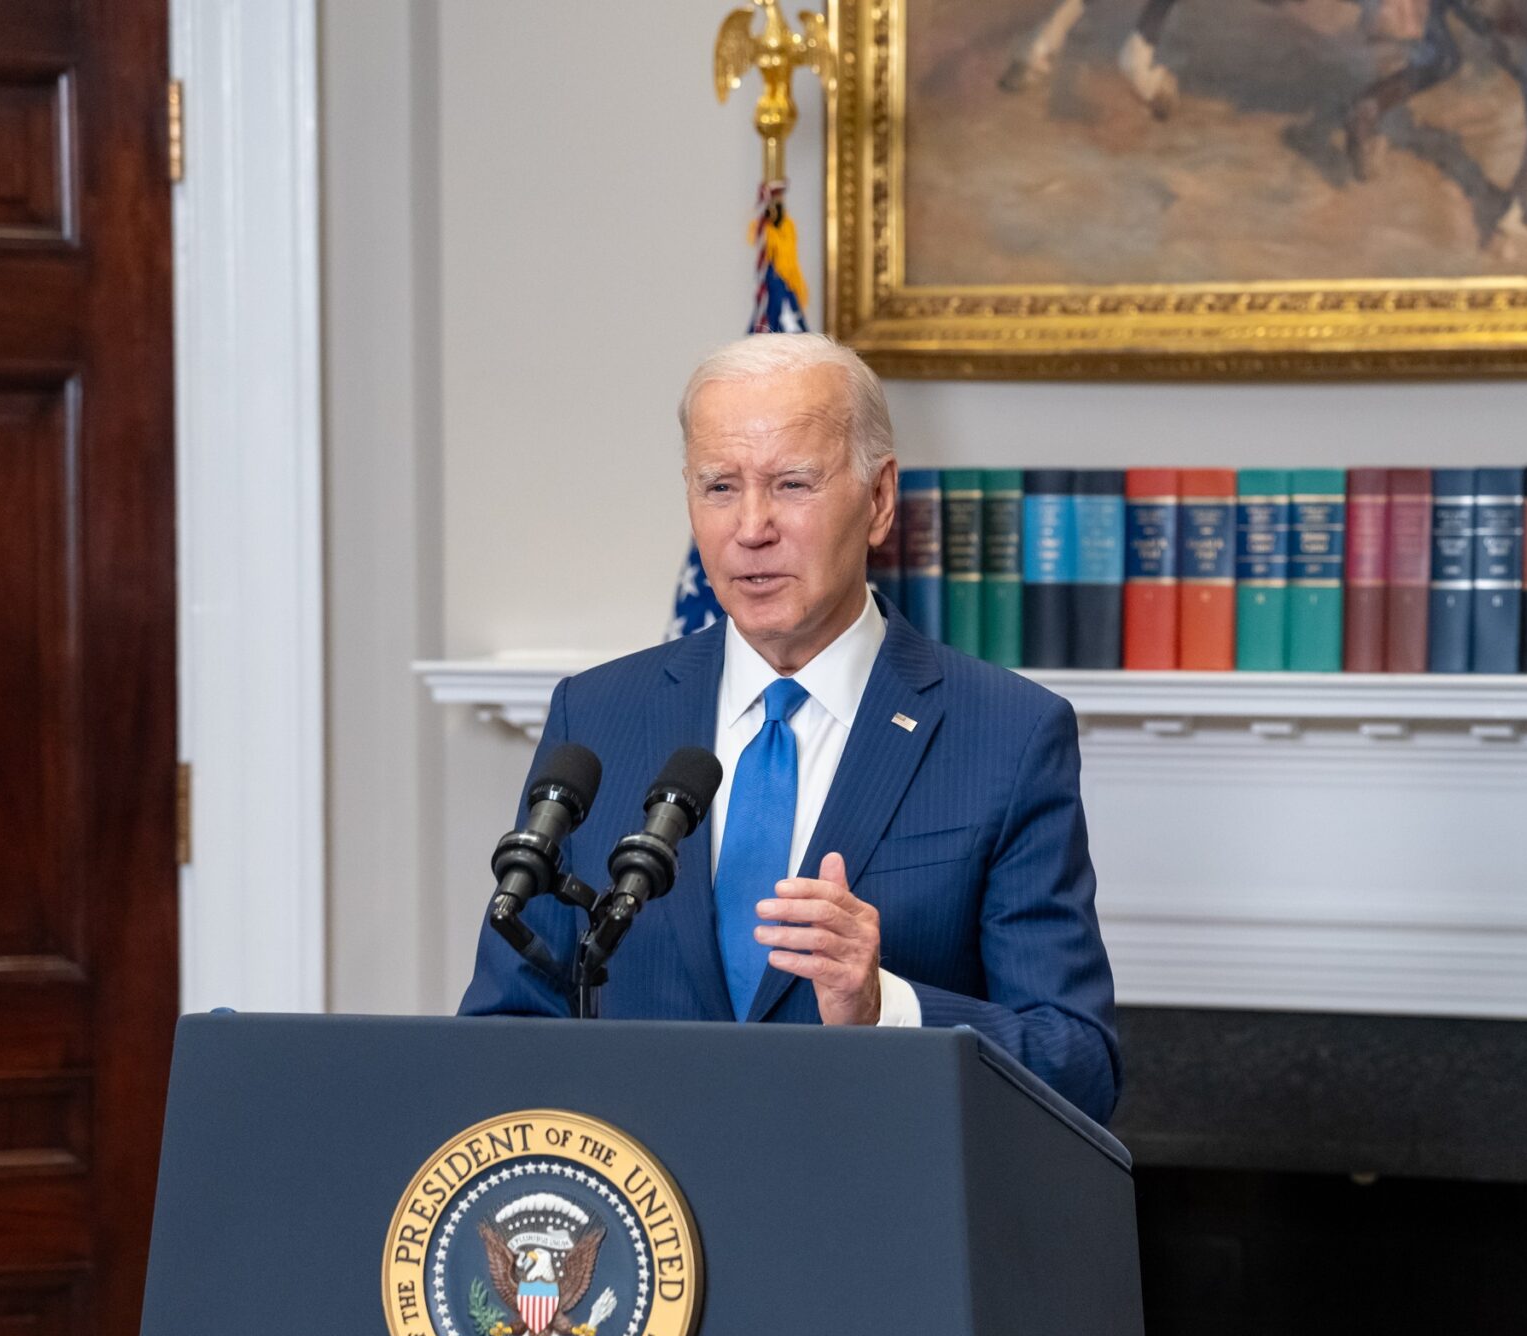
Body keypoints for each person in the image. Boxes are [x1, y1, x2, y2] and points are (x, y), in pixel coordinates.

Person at [456, 333, 1121, 1122]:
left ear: (878, 501)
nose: (751, 527)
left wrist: (885, 1005)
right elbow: (507, 1023)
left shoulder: (1007, 735)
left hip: (870, 1219)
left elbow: (1080, 1066)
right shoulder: (596, 717)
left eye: (792, 484)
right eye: (720, 486)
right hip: (641, 1221)